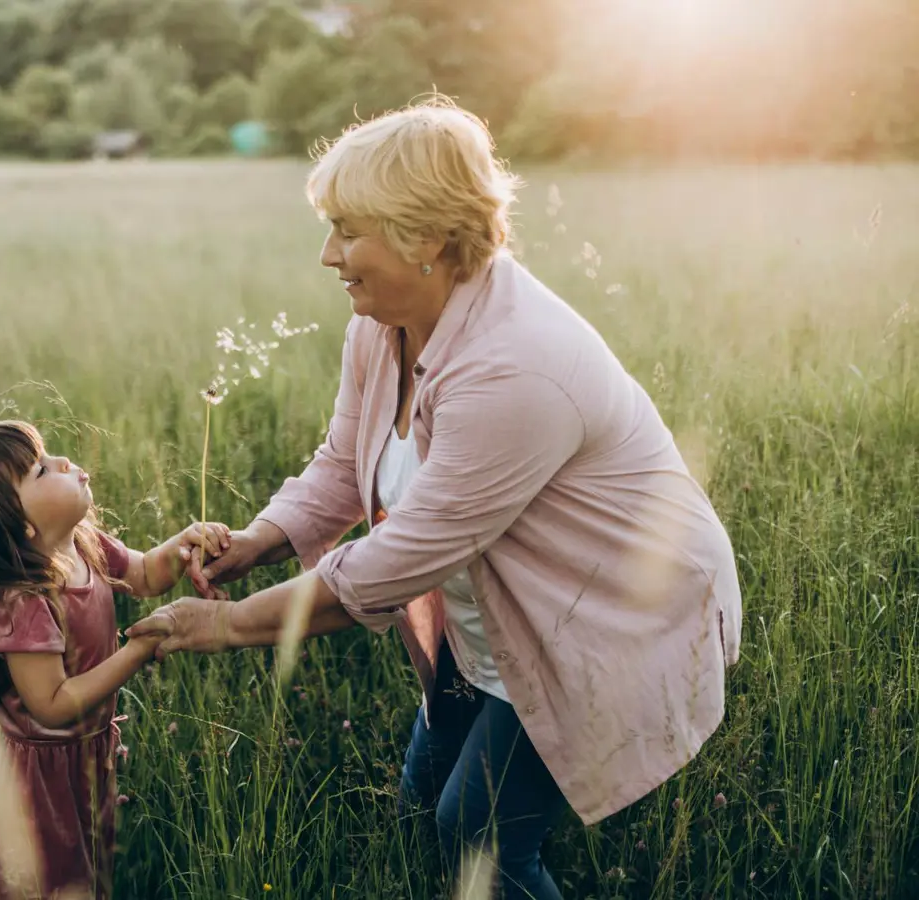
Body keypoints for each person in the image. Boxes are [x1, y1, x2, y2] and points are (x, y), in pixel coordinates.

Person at [132, 97, 742, 899]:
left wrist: (225, 625)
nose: (327, 255)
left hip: (598, 620)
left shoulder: (514, 369)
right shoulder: (383, 323)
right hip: (493, 614)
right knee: (425, 797)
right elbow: (346, 466)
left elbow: (387, 568)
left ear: (424, 237)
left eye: (349, 230)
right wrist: (259, 539)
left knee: (478, 839)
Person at [0, 419, 229, 899]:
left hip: (88, 751)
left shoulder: (83, 545)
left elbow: (143, 573)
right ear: (20, 526)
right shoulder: (26, 604)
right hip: (44, 776)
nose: (62, 462)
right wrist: (137, 650)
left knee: (92, 872)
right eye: (40, 471)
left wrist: (182, 546)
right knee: (53, 885)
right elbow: (55, 704)